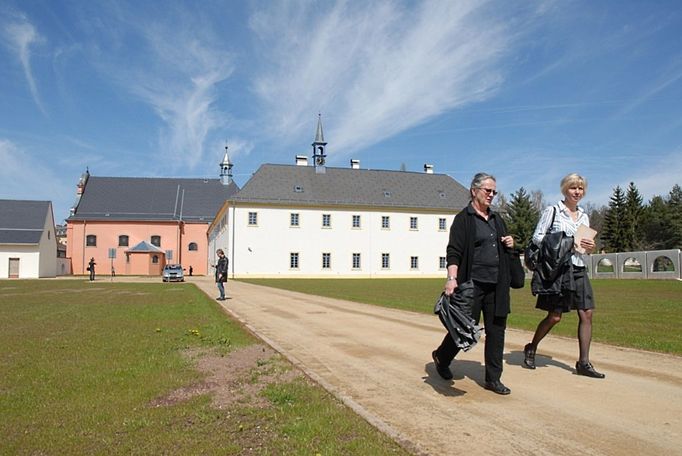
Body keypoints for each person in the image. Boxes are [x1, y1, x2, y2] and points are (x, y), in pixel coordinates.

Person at [431, 172, 515, 395]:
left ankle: (493, 379)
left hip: (497, 285)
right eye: (488, 190)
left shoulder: (497, 220)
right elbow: (454, 252)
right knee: (464, 329)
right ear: (474, 190)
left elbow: (504, 247)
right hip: (472, 284)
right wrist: (452, 279)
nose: (491, 195)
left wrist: (509, 242)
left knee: (497, 331)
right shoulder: (464, 219)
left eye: (494, 192)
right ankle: (442, 357)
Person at [522, 173, 605, 378]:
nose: (577, 192)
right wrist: (567, 241)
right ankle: (531, 347)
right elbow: (538, 238)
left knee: (587, 313)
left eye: (580, 188)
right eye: (573, 188)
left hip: (578, 268)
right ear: (565, 189)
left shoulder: (584, 215)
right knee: (555, 316)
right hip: (558, 271)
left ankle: (583, 363)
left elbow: (584, 247)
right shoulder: (553, 211)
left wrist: (590, 246)